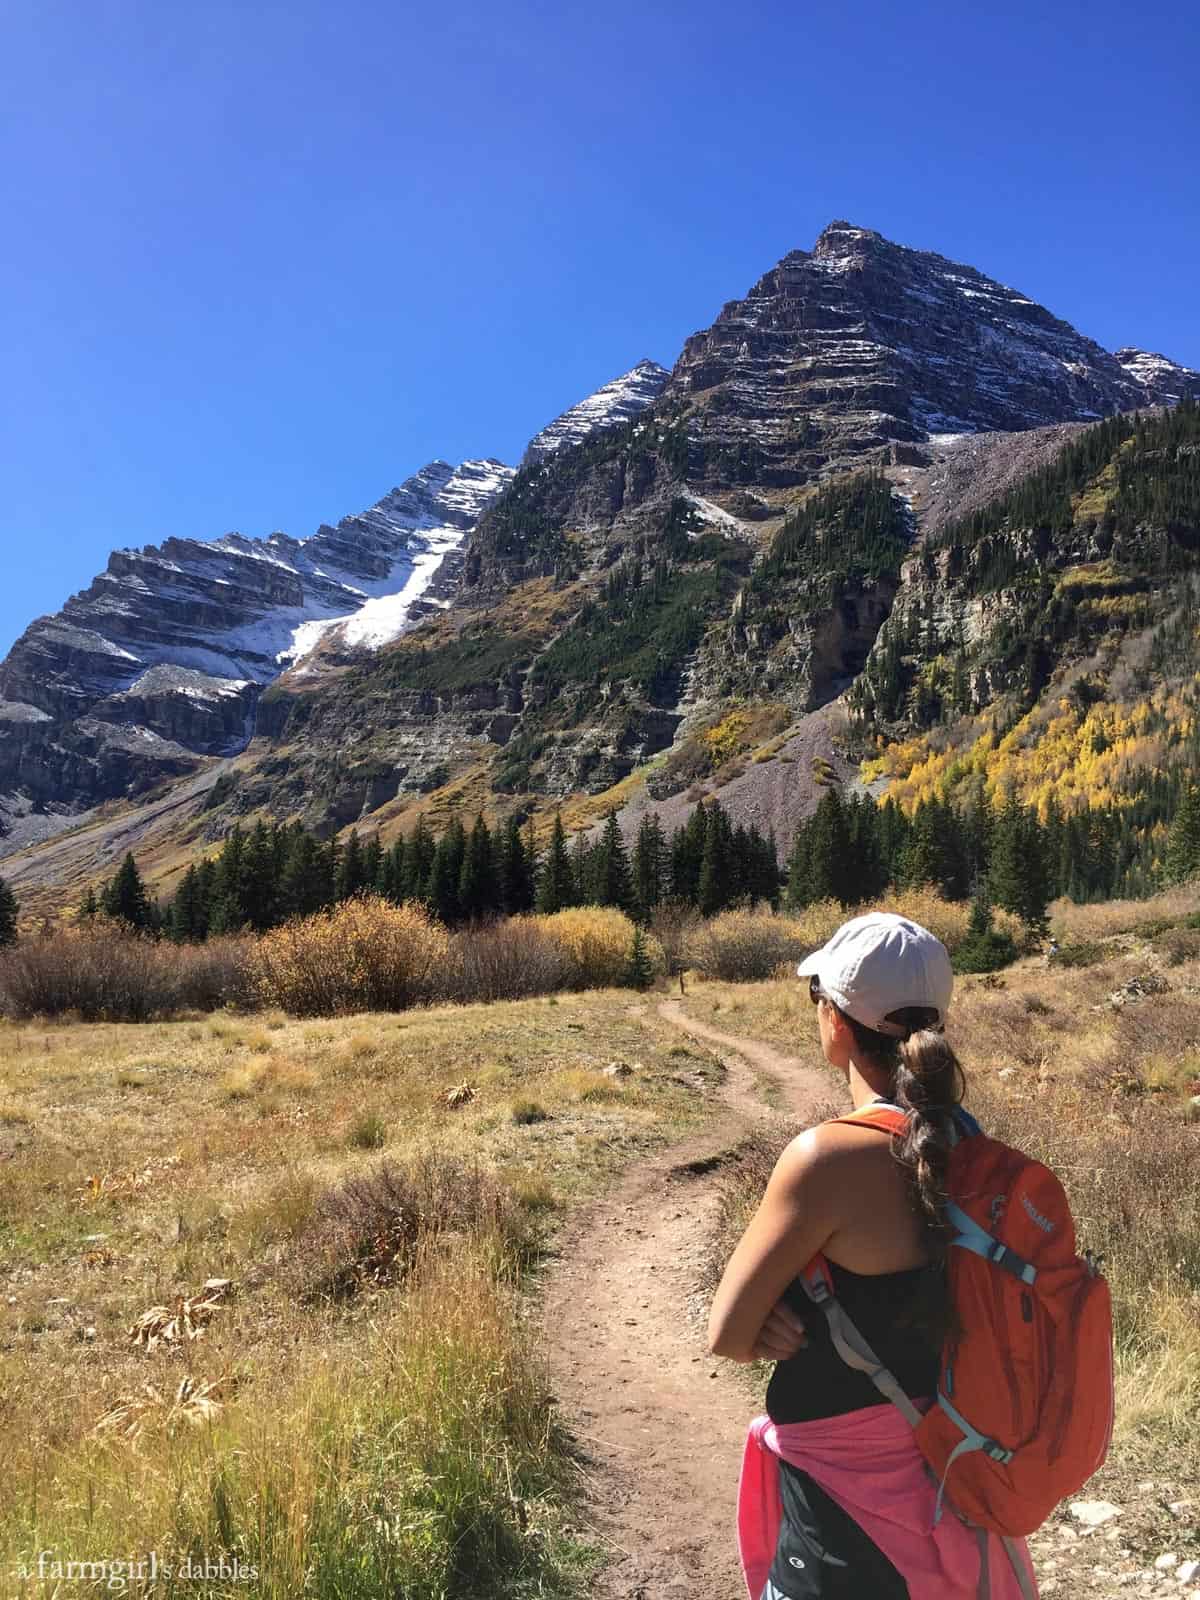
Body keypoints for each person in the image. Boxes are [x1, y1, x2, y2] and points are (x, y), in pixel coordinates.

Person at [707, 911, 1036, 1600]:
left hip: (843, 1526)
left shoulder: (823, 1160)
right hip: (965, 1486)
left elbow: (728, 1334)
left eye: (817, 997)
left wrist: (768, 1319)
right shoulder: (976, 1150)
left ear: (836, 1020)